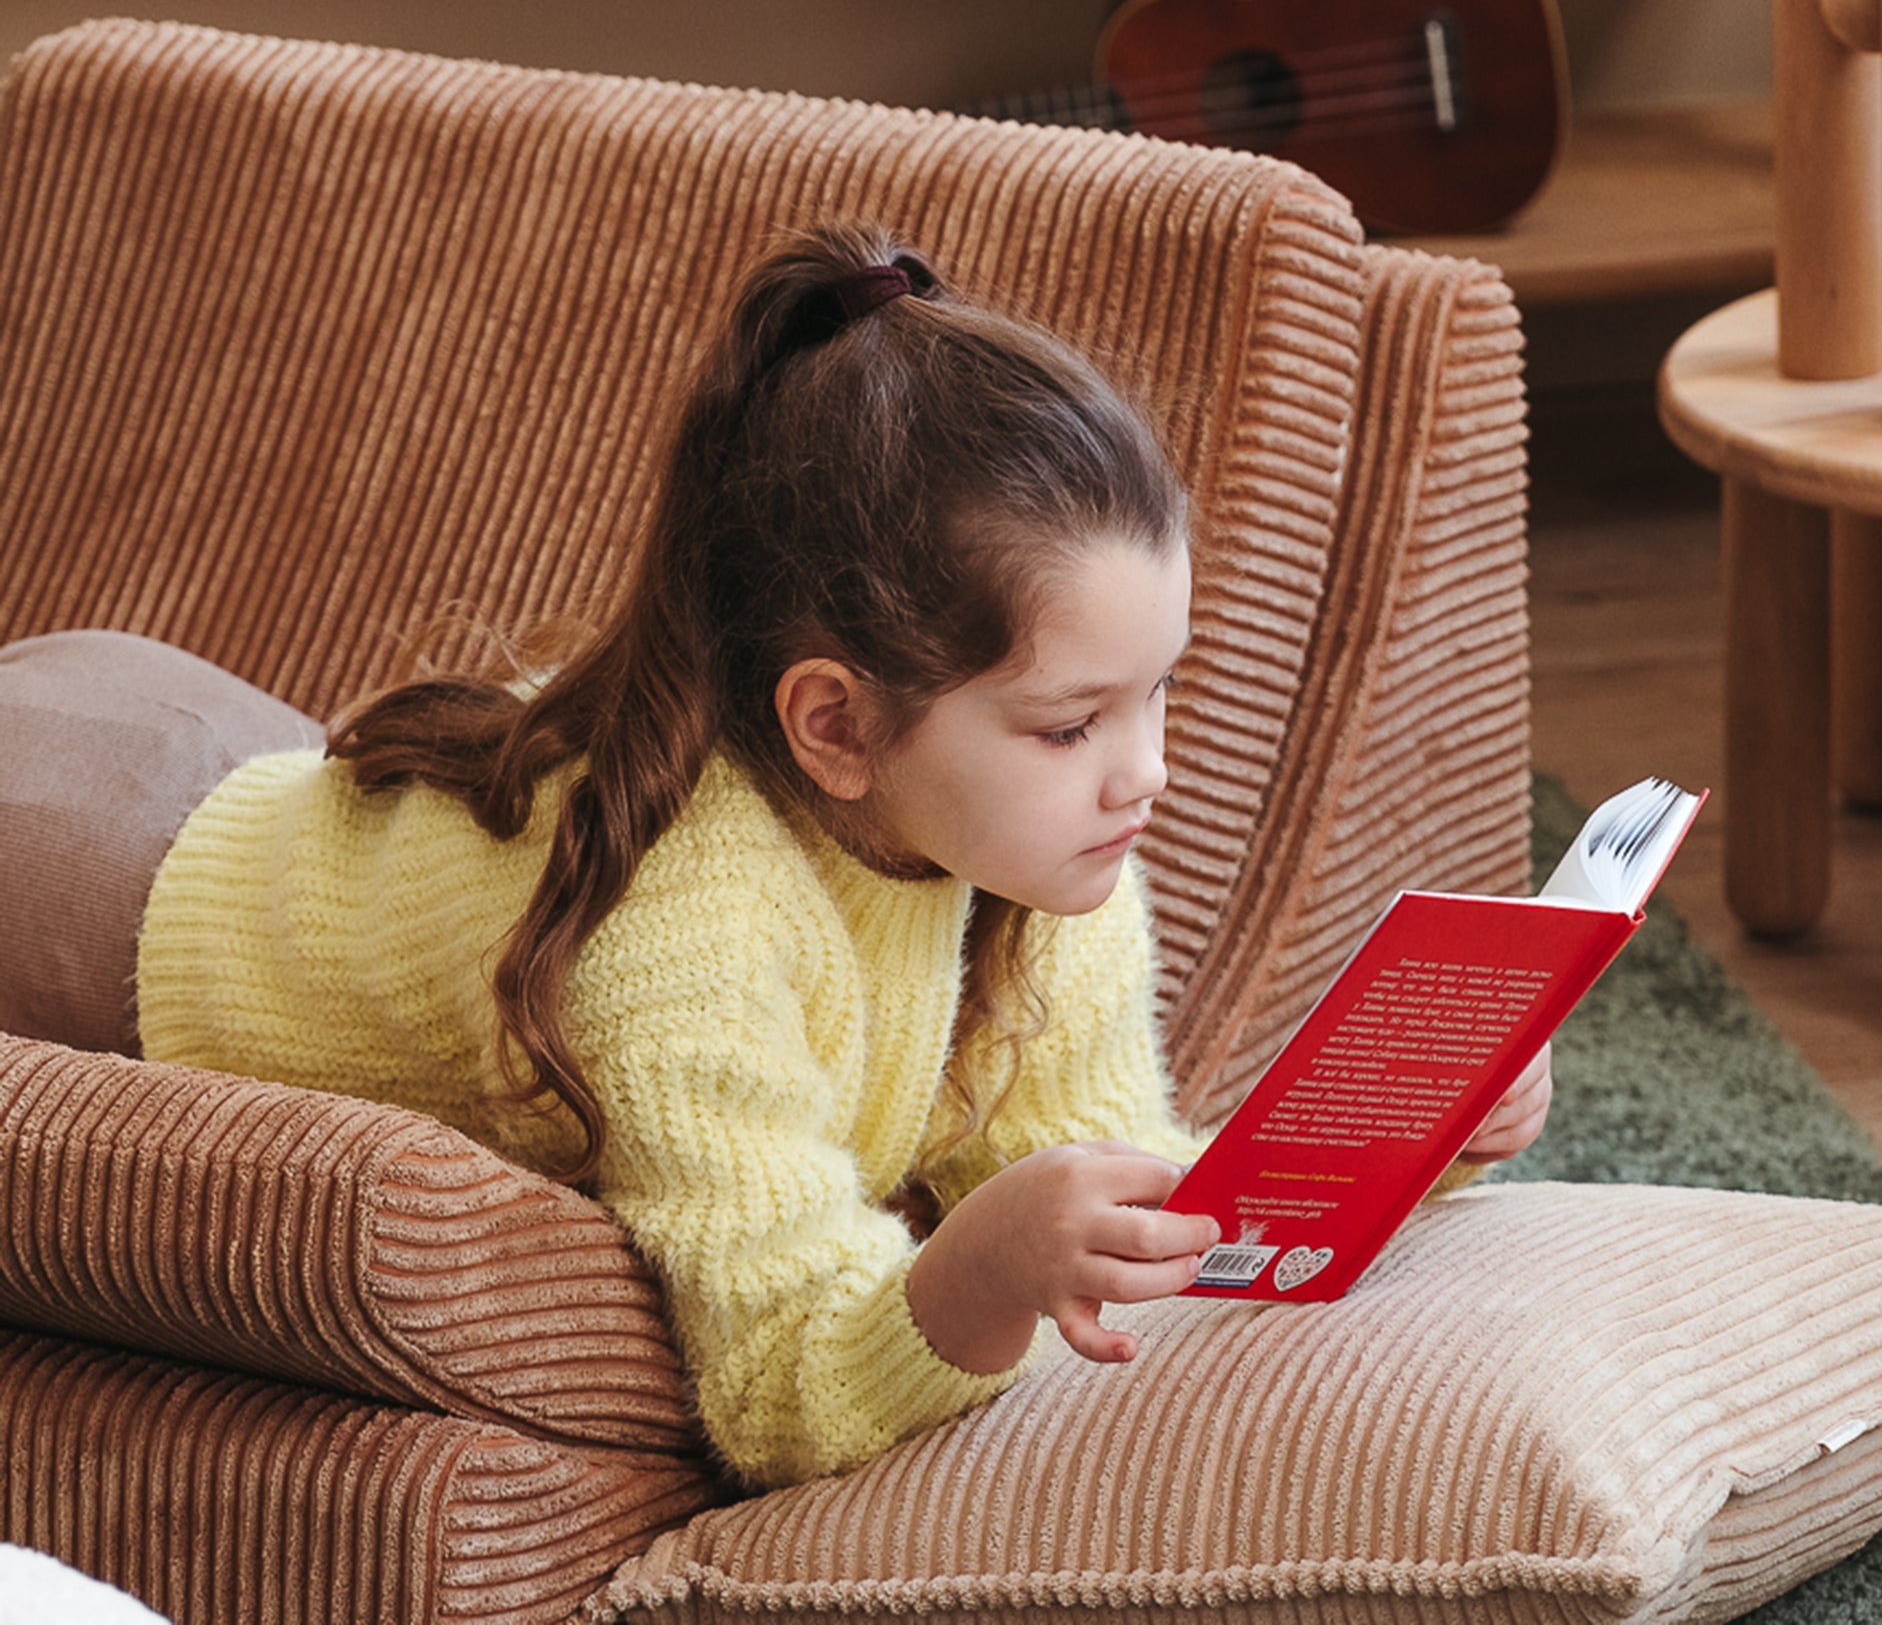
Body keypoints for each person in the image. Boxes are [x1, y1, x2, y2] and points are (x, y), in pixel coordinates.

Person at [0, 221, 1551, 1489]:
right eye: (1073, 724)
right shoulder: (686, 930)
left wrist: (1410, 1138)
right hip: (81, 874)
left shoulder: (1047, 859)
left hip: (226, 748)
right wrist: (980, 1271)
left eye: (1160, 695)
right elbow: (780, 1389)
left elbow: (1127, 1195)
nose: (1145, 773)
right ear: (836, 726)